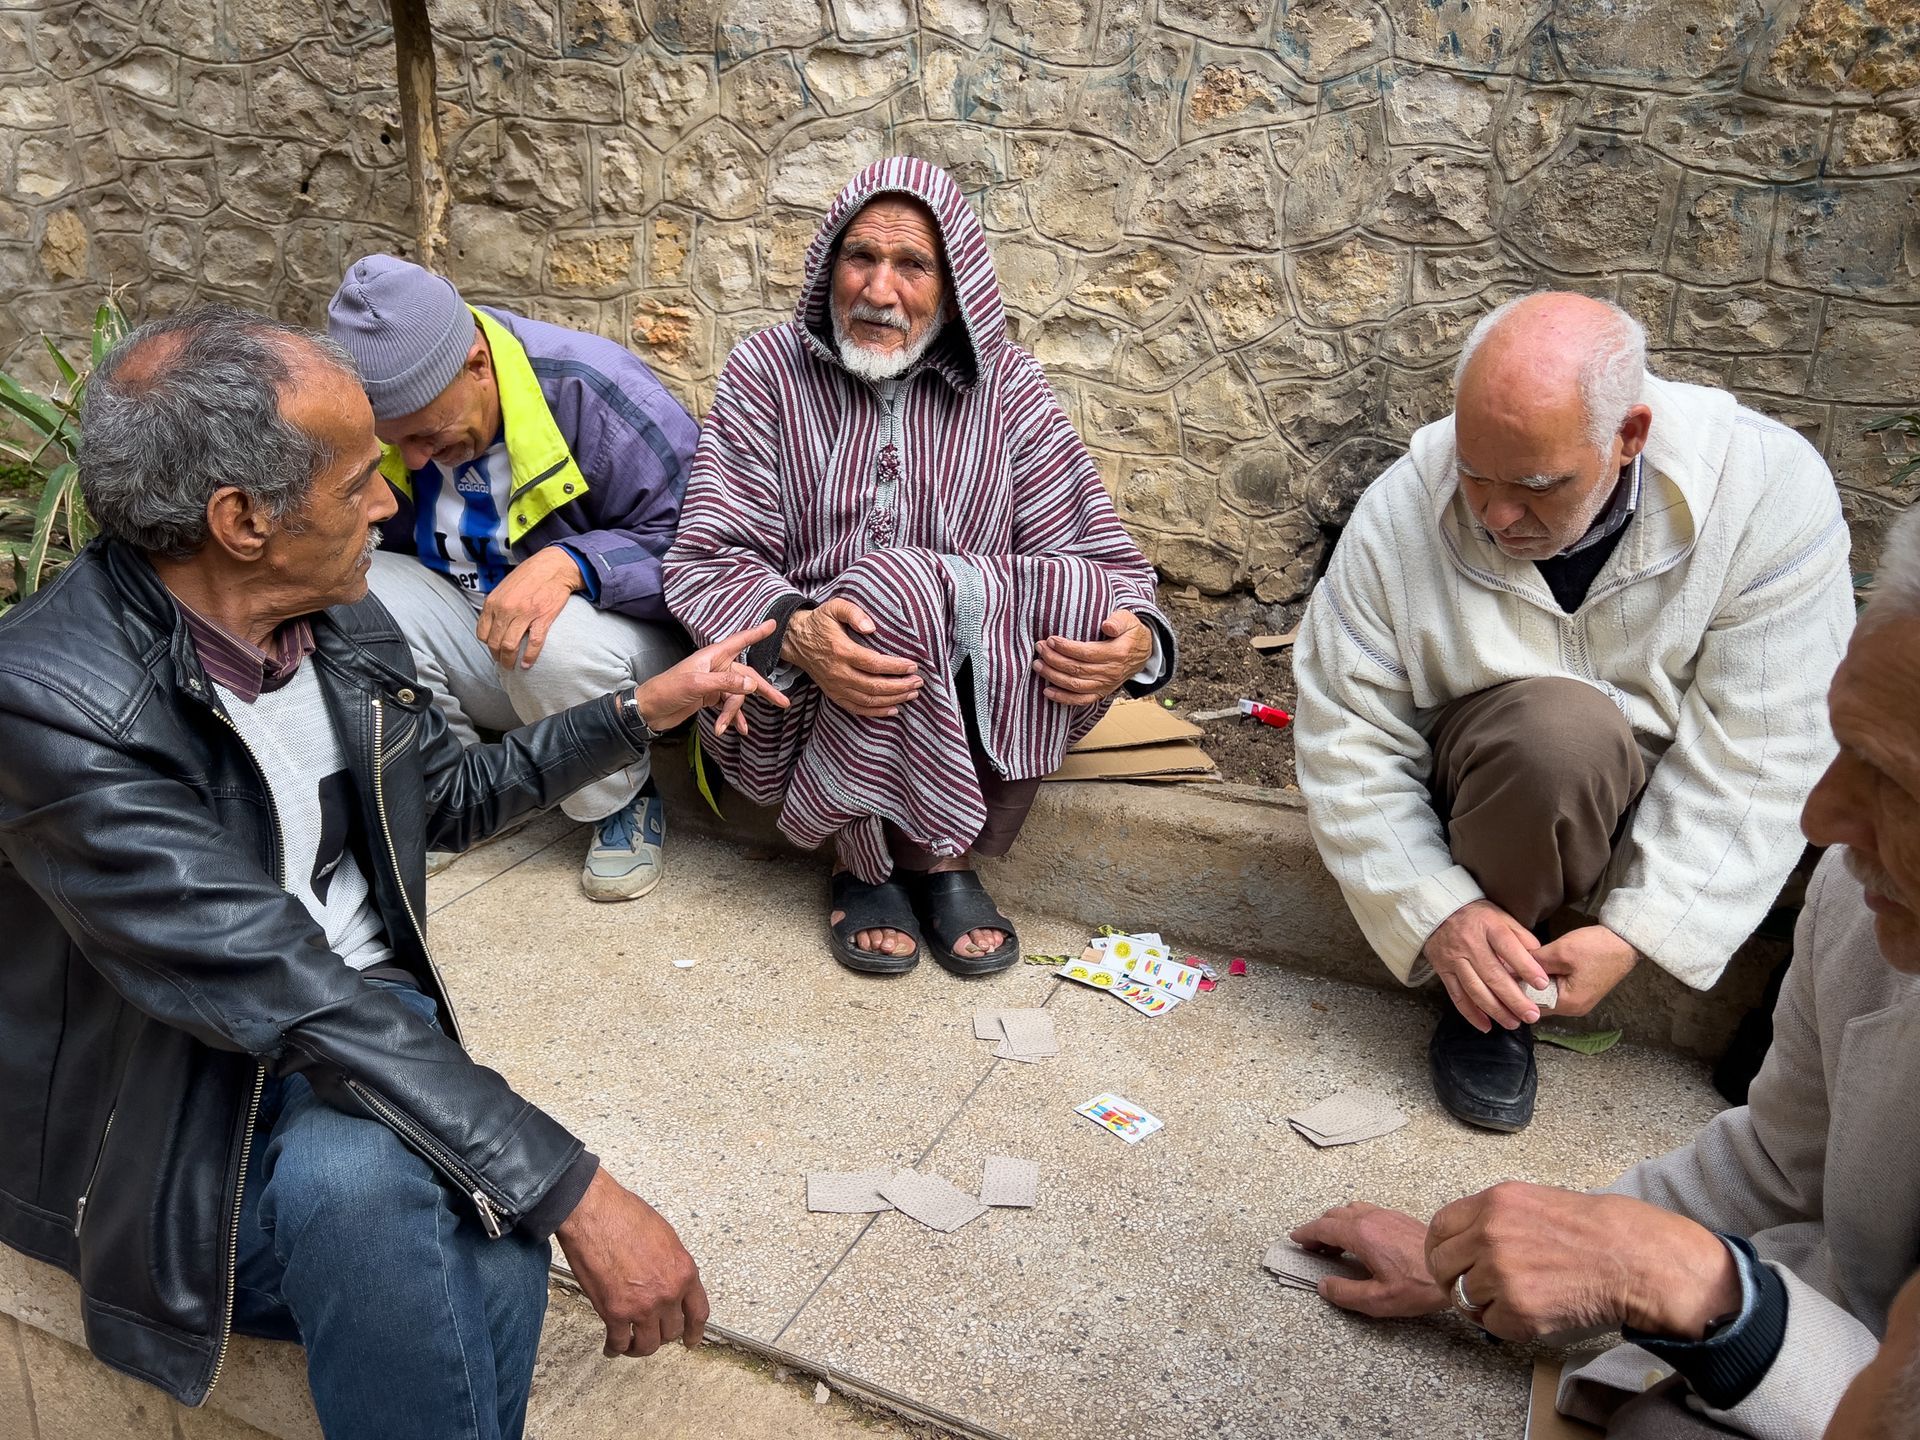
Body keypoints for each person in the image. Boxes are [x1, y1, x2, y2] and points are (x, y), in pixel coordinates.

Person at [0, 307, 785, 1438]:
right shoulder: (52, 704)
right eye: (361, 477)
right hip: (181, 1099)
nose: (388, 502)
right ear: (242, 520)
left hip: (361, 1025)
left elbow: (441, 800)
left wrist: (638, 711)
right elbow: (279, 985)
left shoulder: (336, 620)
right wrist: (574, 1188)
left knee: (431, 1195)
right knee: (417, 1197)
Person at [1288, 516, 1920, 1437]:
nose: (1821, 821)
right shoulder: (1861, 909)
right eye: (1844, 752)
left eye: (1898, 782)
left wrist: (1714, 1298)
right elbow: (1780, 1163)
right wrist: (1483, 1265)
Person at [1292, 291, 1852, 1131]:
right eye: (1475, 476)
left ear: (1629, 436)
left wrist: (1642, 930)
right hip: (1494, 794)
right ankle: (1490, 994)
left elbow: (1767, 742)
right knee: (1557, 735)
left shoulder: (1766, 488)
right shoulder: (1405, 500)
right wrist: (1437, 909)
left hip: (1667, 789)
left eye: (1536, 486)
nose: (1496, 515)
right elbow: (1346, 730)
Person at [663, 156, 1175, 977]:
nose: (879, 290)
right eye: (861, 257)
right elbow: (708, 553)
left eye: (912, 265)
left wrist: (1137, 639)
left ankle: (939, 851)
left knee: (1073, 595)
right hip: (804, 698)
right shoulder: (767, 371)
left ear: (954, 284)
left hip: (965, 680)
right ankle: (868, 857)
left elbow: (1094, 547)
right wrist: (797, 629)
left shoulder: (1007, 384)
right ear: (829, 265)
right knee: (887, 589)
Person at [326, 255, 697, 901]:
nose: (414, 460)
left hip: (610, 649)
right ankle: (458, 787)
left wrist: (575, 563)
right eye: (394, 442)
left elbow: (707, 548)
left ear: (477, 364)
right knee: (349, 591)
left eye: (427, 435)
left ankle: (616, 798)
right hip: (478, 636)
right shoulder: (387, 423)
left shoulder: (597, 391)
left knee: (542, 632)